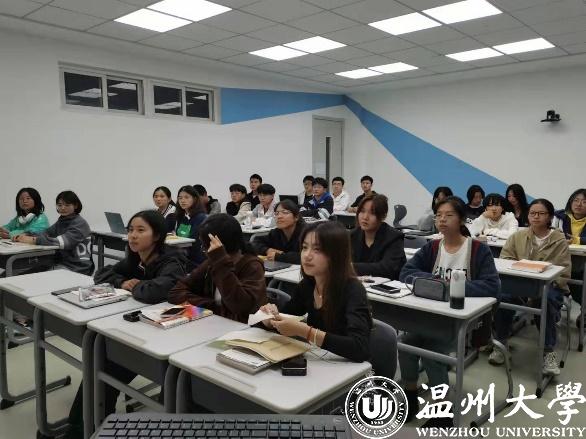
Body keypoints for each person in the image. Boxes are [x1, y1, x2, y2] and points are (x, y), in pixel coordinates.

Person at [64, 210, 187, 439]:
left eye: (140, 230)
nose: (133, 236)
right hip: (140, 330)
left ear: (157, 235)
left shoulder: (172, 260)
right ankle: (82, 427)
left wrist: (135, 285)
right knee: (100, 363)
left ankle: (85, 427)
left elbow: (154, 291)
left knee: (106, 363)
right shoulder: (136, 258)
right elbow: (101, 274)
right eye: (130, 230)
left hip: (169, 340)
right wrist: (122, 282)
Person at [399, 196, 500, 427]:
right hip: (431, 315)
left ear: (462, 219)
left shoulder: (478, 249)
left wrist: (451, 287)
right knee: (405, 344)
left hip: (463, 320)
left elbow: (491, 287)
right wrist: (438, 283)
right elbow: (406, 273)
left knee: (432, 350)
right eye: (438, 215)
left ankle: (442, 410)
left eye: (448, 215)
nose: (442, 220)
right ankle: (410, 396)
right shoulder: (433, 246)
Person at [260, 221, 373, 362]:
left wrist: (305, 332)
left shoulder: (353, 289)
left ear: (336, 254)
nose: (307, 255)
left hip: (350, 368)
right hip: (321, 361)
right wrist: (270, 319)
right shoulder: (308, 285)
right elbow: (286, 316)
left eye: (317, 249)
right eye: (304, 247)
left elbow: (360, 348)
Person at [490, 199, 571, 376]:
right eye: (533, 213)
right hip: (520, 284)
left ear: (549, 217)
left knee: (546, 301)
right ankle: (501, 344)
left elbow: (564, 271)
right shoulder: (517, 236)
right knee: (502, 297)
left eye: (541, 213)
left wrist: (543, 279)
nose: (536, 217)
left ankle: (548, 352)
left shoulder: (558, 239)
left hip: (549, 286)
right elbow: (505, 259)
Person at [169, 214, 267, 323]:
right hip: (215, 322)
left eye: (205, 245)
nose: (204, 250)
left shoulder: (252, 266)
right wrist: (212, 306)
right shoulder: (211, 262)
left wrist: (220, 260)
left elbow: (240, 307)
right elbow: (175, 292)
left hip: (243, 327)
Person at [14, 191, 93, 275]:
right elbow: (46, 233)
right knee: (23, 274)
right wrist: (27, 234)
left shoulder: (79, 223)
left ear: (76, 205)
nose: (63, 208)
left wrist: (33, 240)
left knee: (34, 277)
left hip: (77, 267)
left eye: (67, 205)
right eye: (59, 205)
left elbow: (60, 242)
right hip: (61, 262)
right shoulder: (62, 220)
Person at [351, 194, 406, 279]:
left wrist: (351, 267)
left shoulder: (394, 237)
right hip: (359, 283)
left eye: (372, 213)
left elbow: (387, 268)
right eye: (362, 211)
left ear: (383, 216)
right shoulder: (352, 235)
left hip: (386, 284)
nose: (365, 217)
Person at [554, 188, 586, 328]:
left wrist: (577, 240)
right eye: (576, 200)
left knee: (578, 278)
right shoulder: (559, 217)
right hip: (559, 259)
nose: (579, 204)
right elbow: (552, 233)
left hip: (580, 262)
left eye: (584, 202)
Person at [252, 199, 305, 264]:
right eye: (276, 213)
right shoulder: (276, 233)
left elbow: (306, 256)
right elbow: (255, 242)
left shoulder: (307, 233)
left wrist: (279, 256)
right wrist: (267, 250)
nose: (279, 216)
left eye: (285, 212)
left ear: (296, 217)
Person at [175, 185, 207, 267]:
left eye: (186, 197)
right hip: (183, 256)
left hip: (196, 260)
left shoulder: (201, 217)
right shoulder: (181, 217)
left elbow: (195, 241)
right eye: (180, 198)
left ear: (195, 199)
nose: (182, 200)